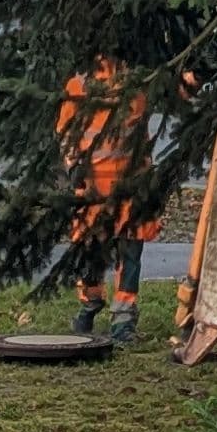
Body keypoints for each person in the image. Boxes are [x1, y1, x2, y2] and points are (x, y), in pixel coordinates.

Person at [56, 60, 157, 342]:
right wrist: (73, 165)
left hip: (126, 184)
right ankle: (95, 305)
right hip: (97, 184)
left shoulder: (135, 82)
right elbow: (66, 130)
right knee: (97, 250)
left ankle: (119, 317)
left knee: (127, 250)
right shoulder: (82, 84)